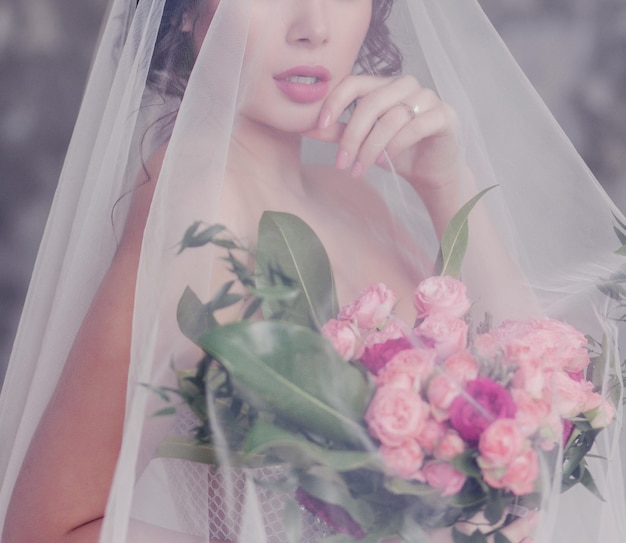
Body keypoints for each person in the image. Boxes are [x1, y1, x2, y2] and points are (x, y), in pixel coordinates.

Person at [0, 0, 624, 542]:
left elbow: (541, 410)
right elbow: (46, 529)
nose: (313, 26)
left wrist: (449, 186)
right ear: (188, 9)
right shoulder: (202, 211)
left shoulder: (349, 190)